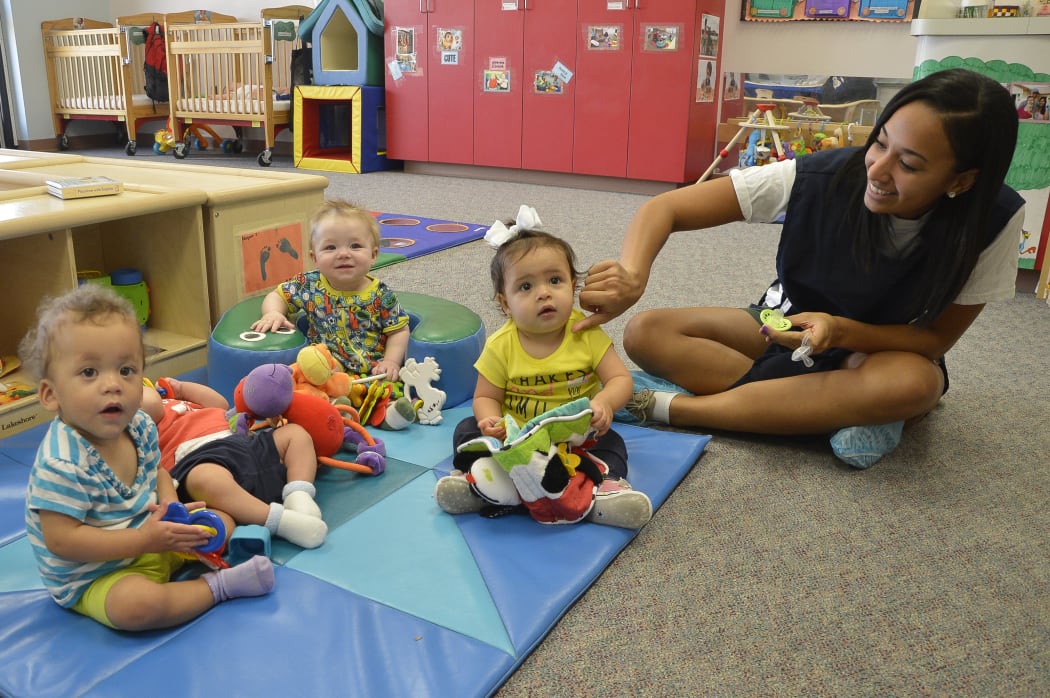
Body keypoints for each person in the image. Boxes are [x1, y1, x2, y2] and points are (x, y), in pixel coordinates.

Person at [574, 68, 1024, 469]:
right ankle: (830, 412)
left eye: (907, 164)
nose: (877, 170)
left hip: (873, 351)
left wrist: (842, 332)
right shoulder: (820, 175)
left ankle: (670, 408)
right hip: (782, 326)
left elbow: (935, 339)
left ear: (962, 181)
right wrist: (633, 273)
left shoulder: (994, 219)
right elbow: (666, 208)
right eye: (881, 143)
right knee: (645, 332)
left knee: (913, 384)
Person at [19, 284, 273, 631]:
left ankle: (194, 555)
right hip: (98, 574)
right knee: (137, 608)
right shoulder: (62, 464)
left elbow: (157, 473)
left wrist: (169, 504)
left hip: (152, 538)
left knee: (220, 519)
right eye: (89, 372)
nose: (113, 384)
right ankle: (218, 587)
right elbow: (63, 541)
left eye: (126, 370)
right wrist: (144, 540)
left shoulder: (138, 425)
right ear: (50, 394)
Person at [435, 221, 652, 528]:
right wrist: (490, 421)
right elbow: (485, 396)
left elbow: (620, 379)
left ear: (573, 285)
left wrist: (604, 402)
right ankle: (477, 484)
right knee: (468, 430)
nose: (544, 293)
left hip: (575, 437)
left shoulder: (586, 334)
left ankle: (604, 493)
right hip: (517, 440)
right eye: (526, 286)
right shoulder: (501, 345)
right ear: (505, 302)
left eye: (555, 280)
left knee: (612, 443)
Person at [141, 377, 328, 549]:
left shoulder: (181, 401)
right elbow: (150, 404)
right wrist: (150, 392)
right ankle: (280, 522)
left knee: (295, 434)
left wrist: (181, 389)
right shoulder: (135, 424)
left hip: (241, 443)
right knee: (208, 488)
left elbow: (220, 404)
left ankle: (299, 495)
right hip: (199, 458)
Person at [252, 200, 410, 383]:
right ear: (315, 258)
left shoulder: (382, 295)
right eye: (330, 247)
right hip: (324, 373)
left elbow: (399, 330)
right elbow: (278, 295)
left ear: (373, 255)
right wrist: (273, 313)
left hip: (371, 375)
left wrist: (391, 361)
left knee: (388, 398)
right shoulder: (309, 285)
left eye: (355, 246)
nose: (343, 254)